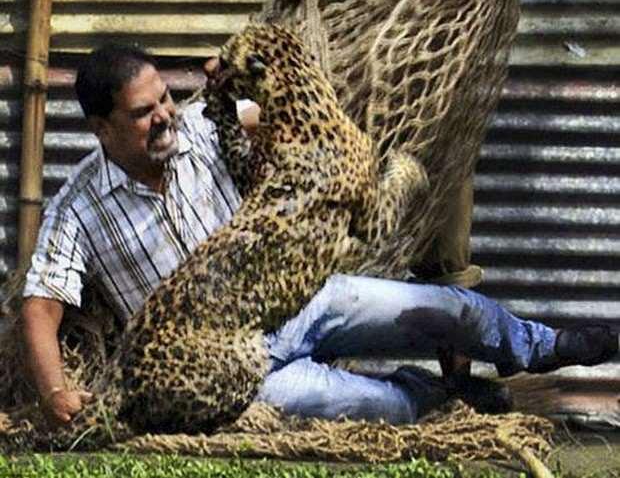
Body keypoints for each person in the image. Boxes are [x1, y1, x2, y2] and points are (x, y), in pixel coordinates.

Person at [20, 44, 618, 428]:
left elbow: (291, 118)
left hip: (307, 297)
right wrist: (55, 393)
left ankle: (546, 345)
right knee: (374, 407)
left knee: (451, 310)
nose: (166, 116)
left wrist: (243, 83)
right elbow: (42, 305)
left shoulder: (202, 128)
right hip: (240, 364)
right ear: (101, 128)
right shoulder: (78, 206)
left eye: (166, 99)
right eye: (143, 113)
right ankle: (456, 400)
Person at [267, 0, 539, 380]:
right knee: (330, 235)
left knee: (446, 251)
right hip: (343, 96)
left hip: (430, 112)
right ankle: (312, 370)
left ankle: (457, 388)